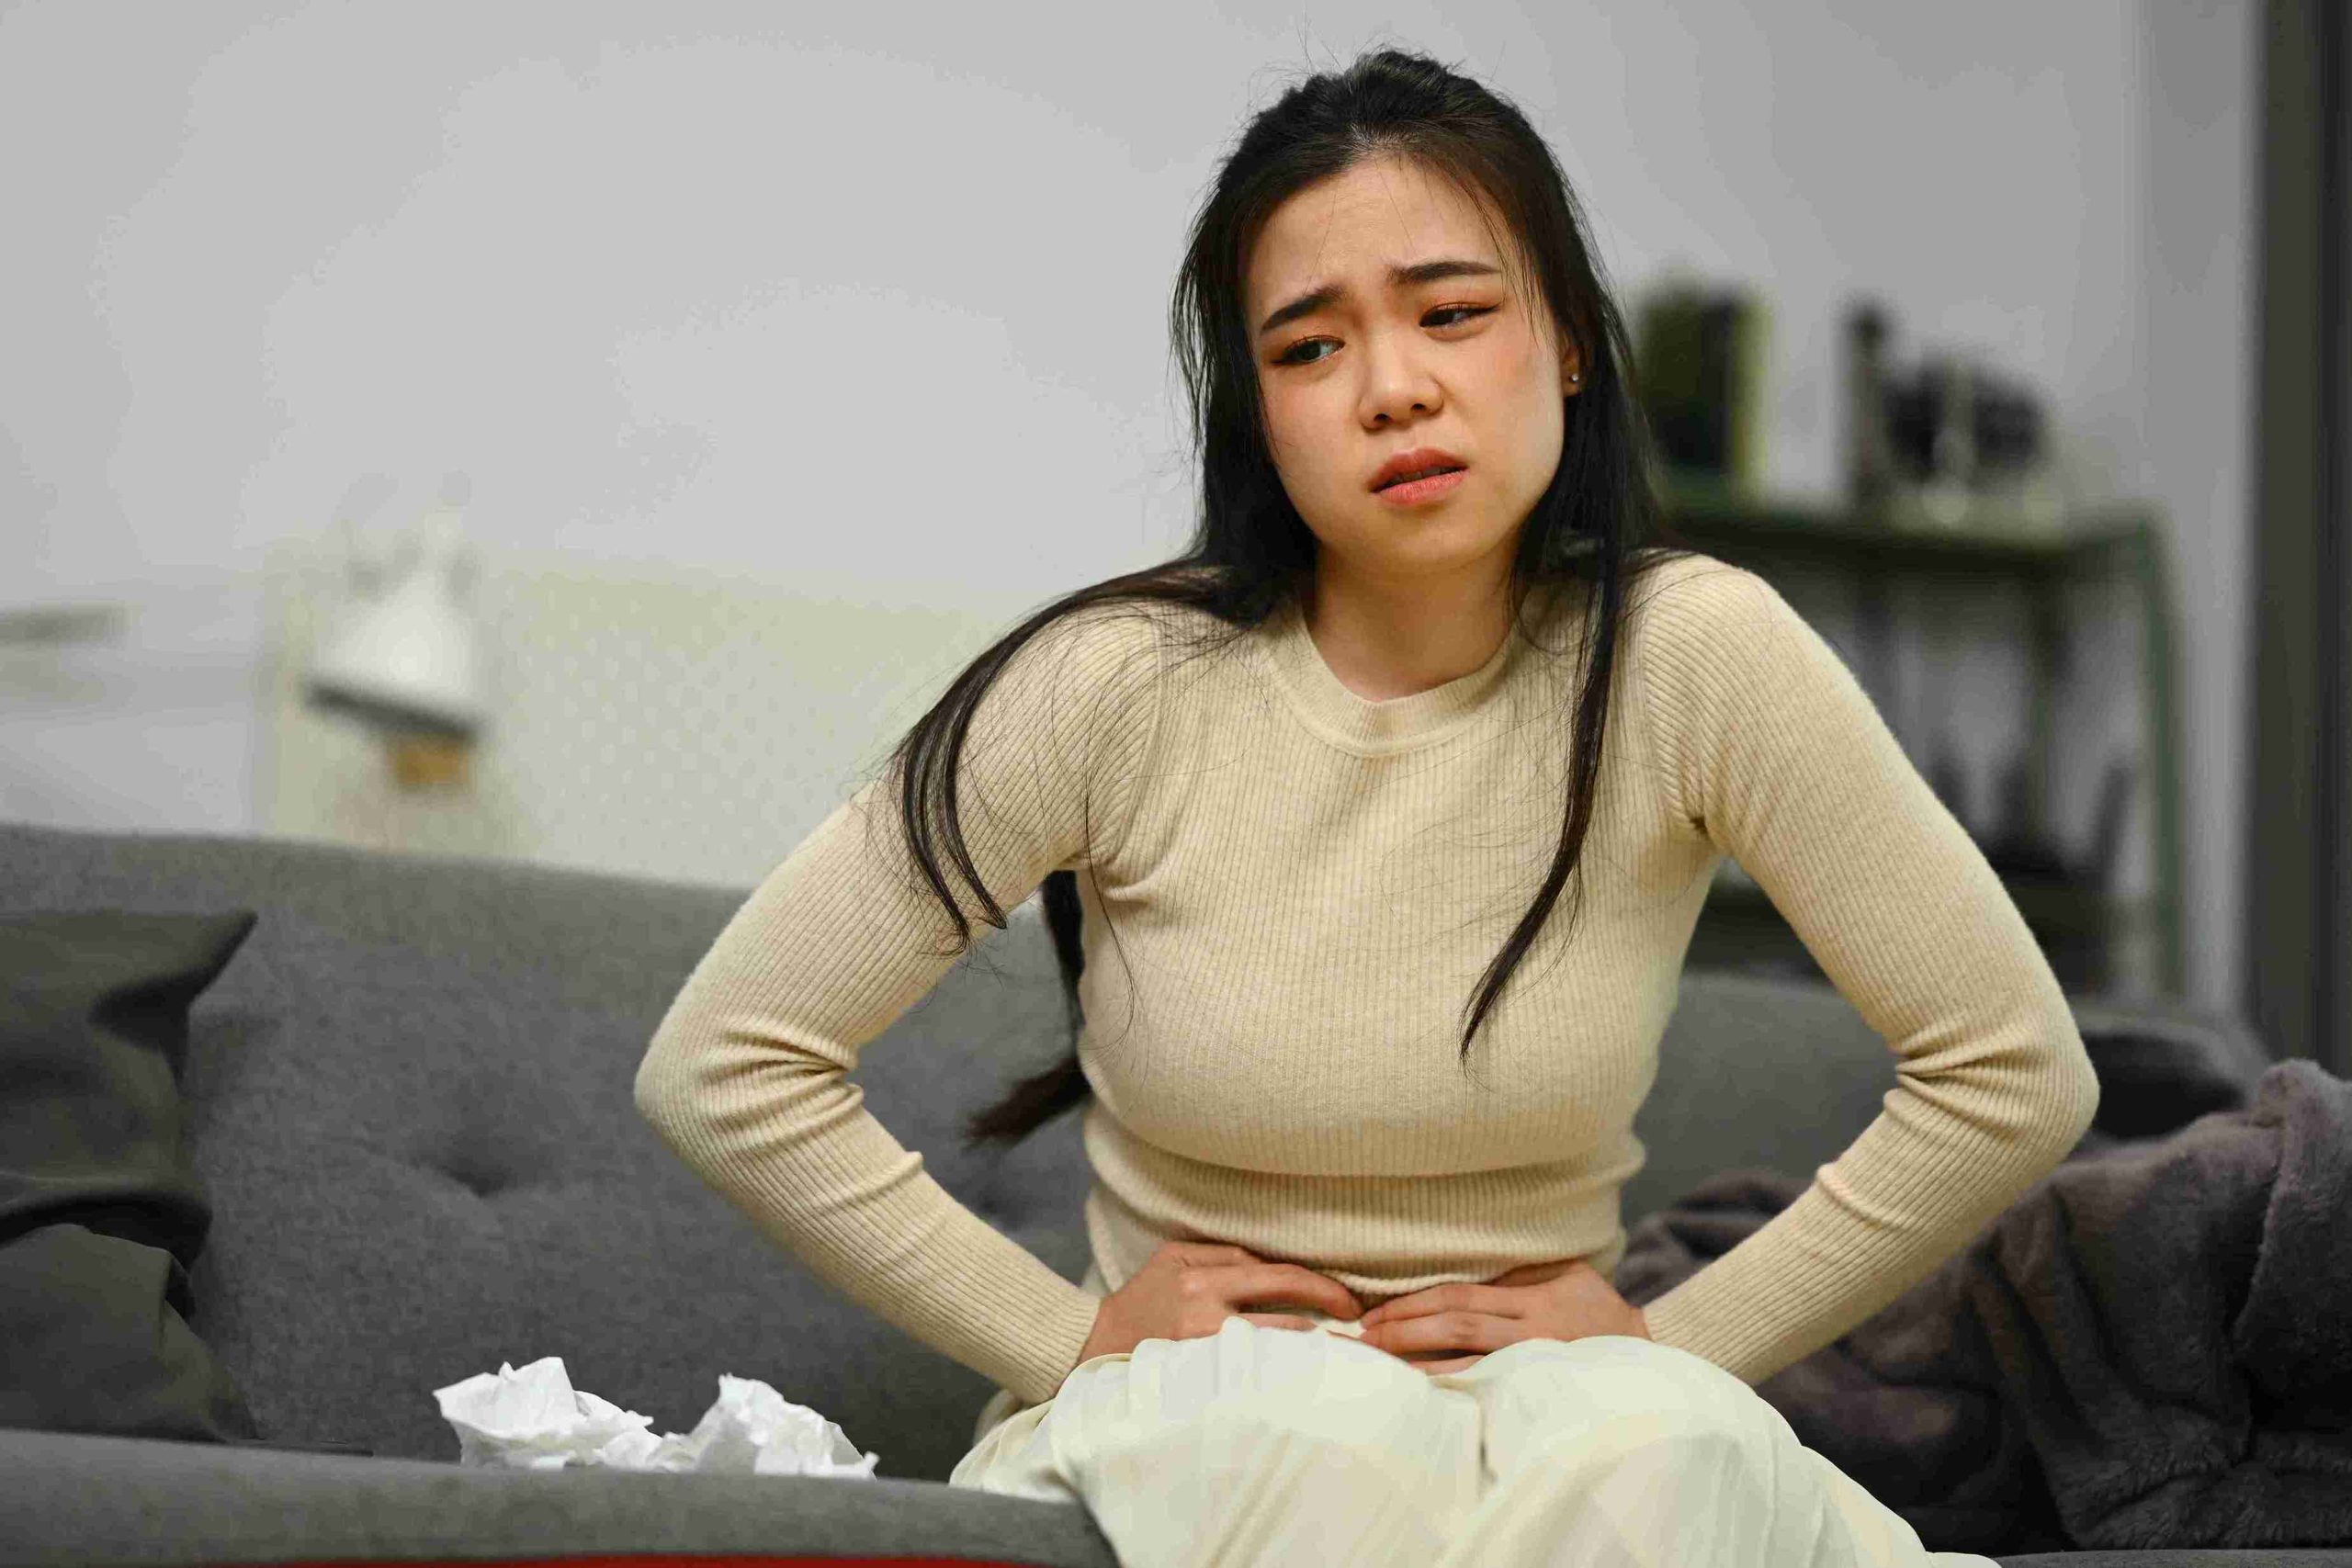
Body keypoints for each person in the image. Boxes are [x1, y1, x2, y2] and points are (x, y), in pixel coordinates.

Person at [633, 43, 2098, 1568]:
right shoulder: (1111, 680)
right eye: (1310, 348)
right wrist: (1067, 1340)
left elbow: (2010, 1072)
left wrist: (1674, 1340)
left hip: (1569, 1423)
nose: (1394, 389)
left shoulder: (1695, 657)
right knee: (1317, 1454)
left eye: (1452, 314)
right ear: (1258, 414)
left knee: (1678, 1451)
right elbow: (730, 1062)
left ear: (1570, 343)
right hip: (1202, 1425)